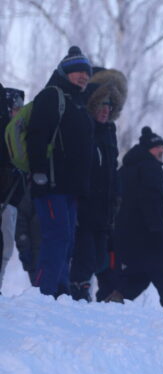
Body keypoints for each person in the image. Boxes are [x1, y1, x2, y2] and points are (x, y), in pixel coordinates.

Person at [26, 46, 96, 298]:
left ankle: (60, 290)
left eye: (87, 73)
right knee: (57, 237)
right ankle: (44, 292)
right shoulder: (51, 96)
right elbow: (36, 136)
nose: (84, 76)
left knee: (67, 240)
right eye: (78, 71)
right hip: (51, 184)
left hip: (70, 188)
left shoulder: (78, 104)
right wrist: (39, 174)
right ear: (65, 72)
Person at [106, 127, 163, 311]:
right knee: (160, 269)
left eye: (162, 147)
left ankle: (116, 299)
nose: (161, 151)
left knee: (140, 272)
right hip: (148, 229)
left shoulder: (126, 169)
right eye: (157, 148)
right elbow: (153, 200)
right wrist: (156, 228)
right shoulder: (150, 168)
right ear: (148, 149)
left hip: (126, 230)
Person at [69, 68, 126, 301]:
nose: (105, 110)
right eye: (102, 104)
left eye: (110, 105)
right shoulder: (85, 128)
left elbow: (112, 168)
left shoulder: (109, 132)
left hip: (104, 208)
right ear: (92, 105)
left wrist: (116, 196)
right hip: (85, 205)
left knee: (101, 259)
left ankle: (81, 287)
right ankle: (77, 291)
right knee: (86, 256)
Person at [1, 86, 26, 291]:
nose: (19, 112)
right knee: (5, 247)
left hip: (11, 200)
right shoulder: (7, 135)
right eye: (16, 107)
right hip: (5, 200)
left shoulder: (17, 135)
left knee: (6, 247)